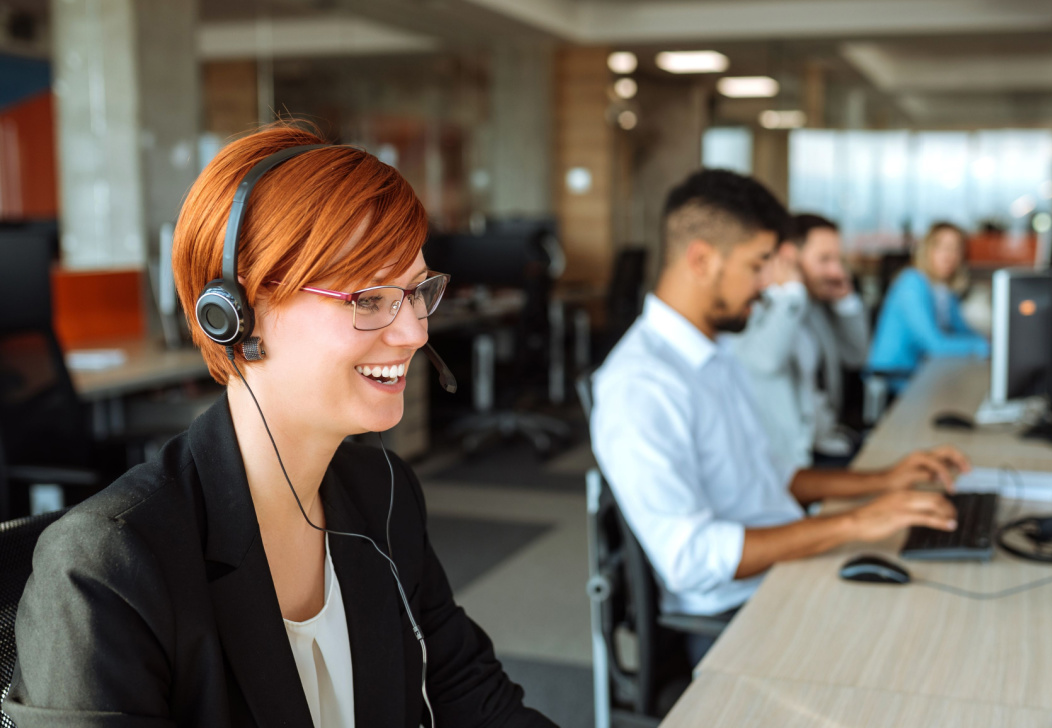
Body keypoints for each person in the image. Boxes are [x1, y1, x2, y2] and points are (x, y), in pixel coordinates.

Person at [3, 125, 556, 728]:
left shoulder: (384, 493)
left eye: (418, 291)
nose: (416, 331)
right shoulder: (107, 568)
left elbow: (474, 698)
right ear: (237, 312)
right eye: (368, 299)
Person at [590, 169, 965, 662]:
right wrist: (855, 522)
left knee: (950, 607)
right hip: (736, 613)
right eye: (758, 265)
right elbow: (691, 559)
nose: (770, 284)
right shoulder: (641, 385)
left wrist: (883, 481)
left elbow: (772, 478)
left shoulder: (716, 353)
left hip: (788, 570)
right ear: (701, 259)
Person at [727, 213, 869, 472]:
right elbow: (765, 361)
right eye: (825, 260)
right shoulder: (759, 306)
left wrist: (846, 302)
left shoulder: (814, 305)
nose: (836, 271)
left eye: (839, 260)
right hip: (791, 463)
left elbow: (856, 355)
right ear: (789, 257)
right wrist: (791, 294)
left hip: (829, 443)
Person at [868, 222, 989, 389]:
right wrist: (981, 346)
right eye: (943, 247)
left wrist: (989, 341)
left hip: (923, 370)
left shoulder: (943, 288)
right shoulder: (911, 282)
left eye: (956, 249)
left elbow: (961, 329)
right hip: (894, 377)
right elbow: (935, 345)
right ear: (927, 250)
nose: (950, 255)